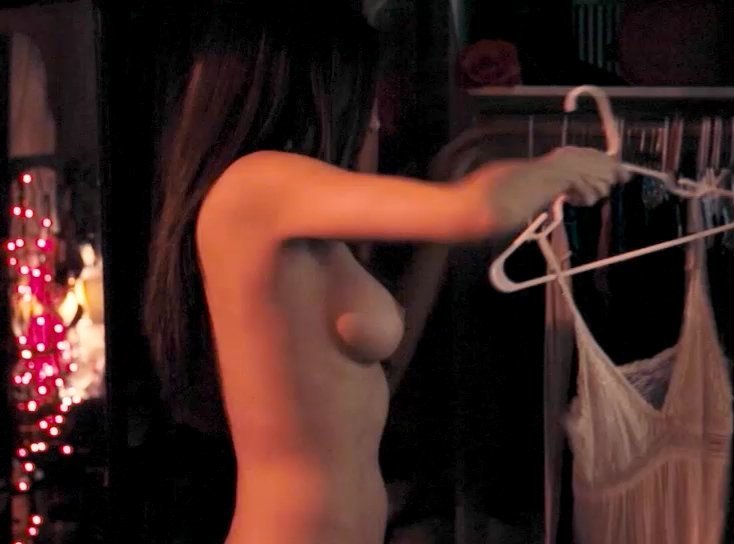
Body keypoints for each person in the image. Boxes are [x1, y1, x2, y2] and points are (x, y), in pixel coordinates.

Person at [142, 5, 624, 544]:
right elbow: (477, 209)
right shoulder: (255, 183)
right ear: (315, 91)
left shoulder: (298, 226)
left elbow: (382, 374)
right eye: (367, 99)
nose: (375, 121)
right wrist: (560, 167)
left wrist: (448, 185)